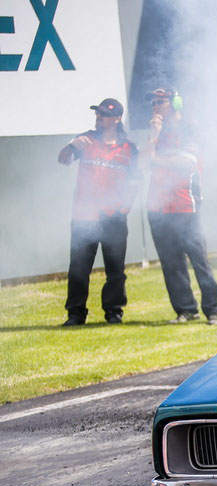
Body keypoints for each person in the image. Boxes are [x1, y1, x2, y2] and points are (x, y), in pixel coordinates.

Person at [141, 88, 217, 325]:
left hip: (186, 204)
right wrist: (153, 136)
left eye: (161, 102)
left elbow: (187, 163)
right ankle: (186, 309)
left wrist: (157, 160)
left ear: (176, 103)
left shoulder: (190, 128)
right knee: (171, 263)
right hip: (158, 208)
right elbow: (142, 163)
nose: (155, 106)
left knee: (199, 260)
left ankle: (214, 310)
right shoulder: (156, 132)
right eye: (153, 102)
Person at [58, 98, 138, 326]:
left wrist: (124, 207)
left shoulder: (129, 148)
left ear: (117, 119)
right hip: (84, 217)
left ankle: (113, 312)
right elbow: (63, 160)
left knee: (116, 270)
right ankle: (76, 314)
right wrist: (72, 146)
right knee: (78, 269)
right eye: (98, 114)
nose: (99, 118)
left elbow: (135, 181)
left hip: (114, 218)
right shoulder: (86, 139)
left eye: (104, 114)